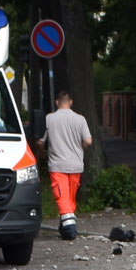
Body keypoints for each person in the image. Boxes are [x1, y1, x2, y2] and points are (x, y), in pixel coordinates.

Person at [37, 91, 92, 240]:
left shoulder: (49, 119)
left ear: (57, 102)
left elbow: (40, 141)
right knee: (70, 199)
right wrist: (80, 147)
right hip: (76, 165)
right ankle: (66, 226)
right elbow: (88, 141)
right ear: (71, 102)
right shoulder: (80, 119)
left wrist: (41, 151)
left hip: (57, 164)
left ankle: (69, 229)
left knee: (62, 197)